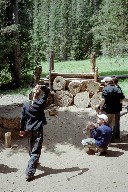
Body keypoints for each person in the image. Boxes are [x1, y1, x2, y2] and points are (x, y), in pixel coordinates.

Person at [19, 84, 50, 181]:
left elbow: (23, 119)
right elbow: (47, 92)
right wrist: (42, 87)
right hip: (38, 130)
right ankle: (29, 172)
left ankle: (33, 160)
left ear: (32, 94)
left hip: (29, 129)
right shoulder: (40, 103)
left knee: (31, 147)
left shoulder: (26, 105)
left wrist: (22, 129)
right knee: (36, 151)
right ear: (39, 94)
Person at [99, 76, 125, 142]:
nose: (104, 84)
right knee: (116, 123)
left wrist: (100, 107)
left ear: (107, 82)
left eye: (105, 82)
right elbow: (122, 98)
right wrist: (117, 103)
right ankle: (116, 137)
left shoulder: (105, 89)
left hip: (108, 109)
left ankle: (108, 138)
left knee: (107, 124)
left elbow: (103, 100)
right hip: (116, 109)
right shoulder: (117, 89)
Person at [112, 76, 125, 141]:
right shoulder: (118, 87)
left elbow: (122, 97)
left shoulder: (116, 88)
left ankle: (115, 136)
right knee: (116, 122)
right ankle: (117, 136)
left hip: (115, 108)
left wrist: (117, 102)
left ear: (113, 82)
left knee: (115, 122)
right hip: (117, 107)